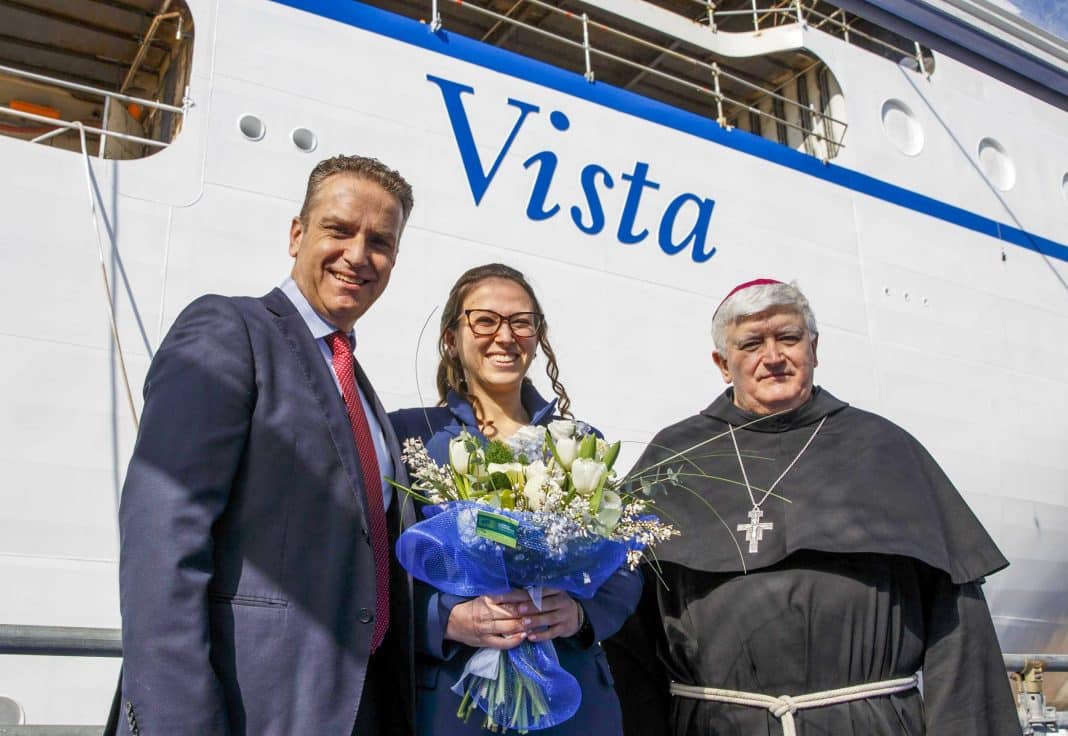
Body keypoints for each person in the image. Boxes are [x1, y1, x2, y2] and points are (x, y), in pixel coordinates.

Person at [604, 278, 1021, 735]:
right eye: (751, 343)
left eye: (788, 337)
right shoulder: (676, 455)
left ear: (814, 349)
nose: (774, 356)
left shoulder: (884, 449)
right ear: (723, 364)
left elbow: (960, 636)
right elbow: (629, 638)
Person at [113, 155, 416, 736]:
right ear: (297, 233)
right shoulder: (230, 329)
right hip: (245, 708)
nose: (358, 254)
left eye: (380, 241)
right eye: (339, 229)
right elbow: (163, 535)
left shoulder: (362, 391)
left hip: (354, 709)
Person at [389, 263, 642, 735]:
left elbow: (624, 563)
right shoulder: (408, 437)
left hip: (575, 698)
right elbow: (371, 564)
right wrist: (445, 618)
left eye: (521, 322)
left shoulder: (580, 442)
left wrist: (581, 614)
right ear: (451, 338)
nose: (505, 336)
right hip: (452, 701)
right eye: (484, 320)